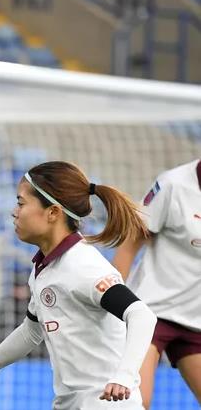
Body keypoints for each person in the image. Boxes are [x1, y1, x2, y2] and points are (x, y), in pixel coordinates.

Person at [0, 161, 157, 409]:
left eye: (21, 203)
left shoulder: (83, 266)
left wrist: (124, 376)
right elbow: (30, 332)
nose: (14, 211)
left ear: (53, 213)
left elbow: (142, 315)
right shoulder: (43, 268)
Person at [111, 158, 201, 408]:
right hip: (150, 312)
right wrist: (112, 300)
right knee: (134, 402)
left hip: (196, 322)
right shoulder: (174, 185)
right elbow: (131, 242)